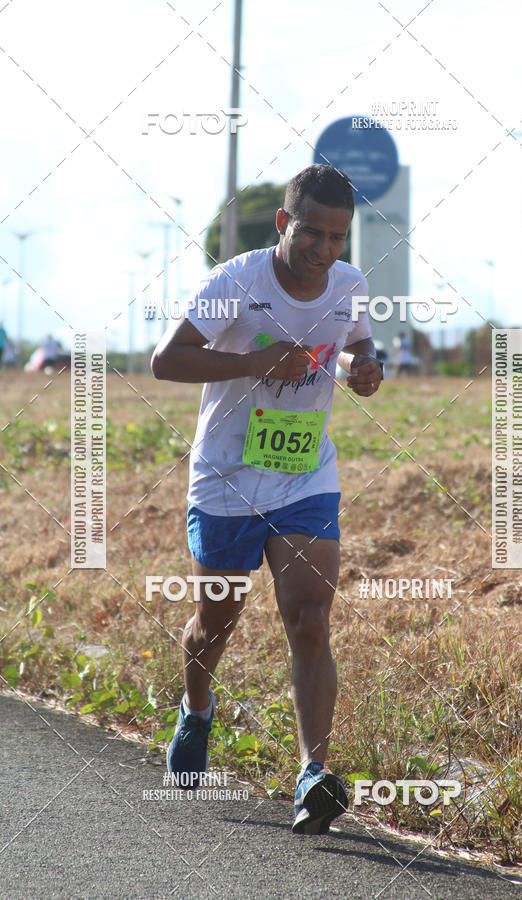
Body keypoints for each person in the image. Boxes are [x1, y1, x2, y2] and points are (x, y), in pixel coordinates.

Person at [151, 164, 382, 834]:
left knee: (310, 618)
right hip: (225, 475)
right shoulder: (235, 283)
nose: (324, 249)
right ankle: (197, 712)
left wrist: (363, 369)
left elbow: (354, 345)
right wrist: (254, 362)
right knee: (214, 625)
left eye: (338, 237)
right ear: (285, 223)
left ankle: (313, 774)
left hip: (303, 476)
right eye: (313, 232)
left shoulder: (349, 286)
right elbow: (167, 360)